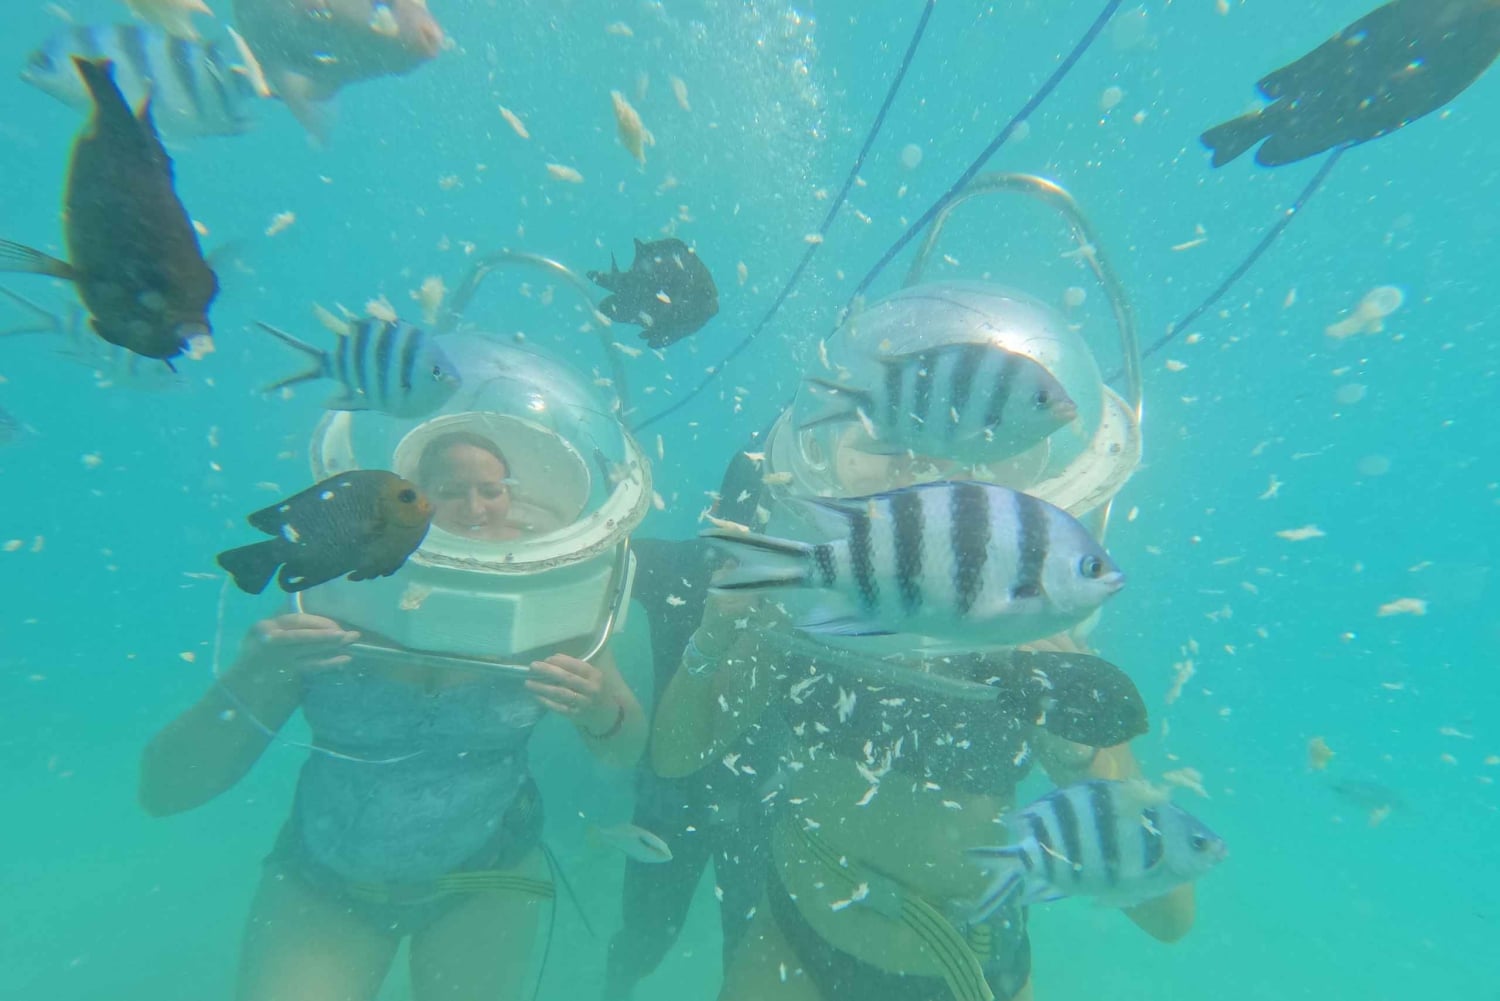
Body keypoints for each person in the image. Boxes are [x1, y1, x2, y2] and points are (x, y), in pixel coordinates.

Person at [649, 283, 1195, 1001]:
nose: (915, 466)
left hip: (969, 964)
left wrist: (1078, 745)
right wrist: (712, 640)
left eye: (939, 451)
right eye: (886, 445)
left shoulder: (1042, 640)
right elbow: (677, 753)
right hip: (792, 942)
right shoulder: (799, 607)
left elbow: (1169, 914)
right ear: (830, 463)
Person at [140, 339, 653, 1001]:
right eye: (448, 491)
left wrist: (596, 707)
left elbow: (626, 750)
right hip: (326, 881)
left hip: (488, 876)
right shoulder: (343, 582)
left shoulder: (556, 599)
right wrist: (253, 671)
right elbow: (164, 790)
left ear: (515, 498)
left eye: (491, 491)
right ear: (411, 497)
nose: (475, 509)